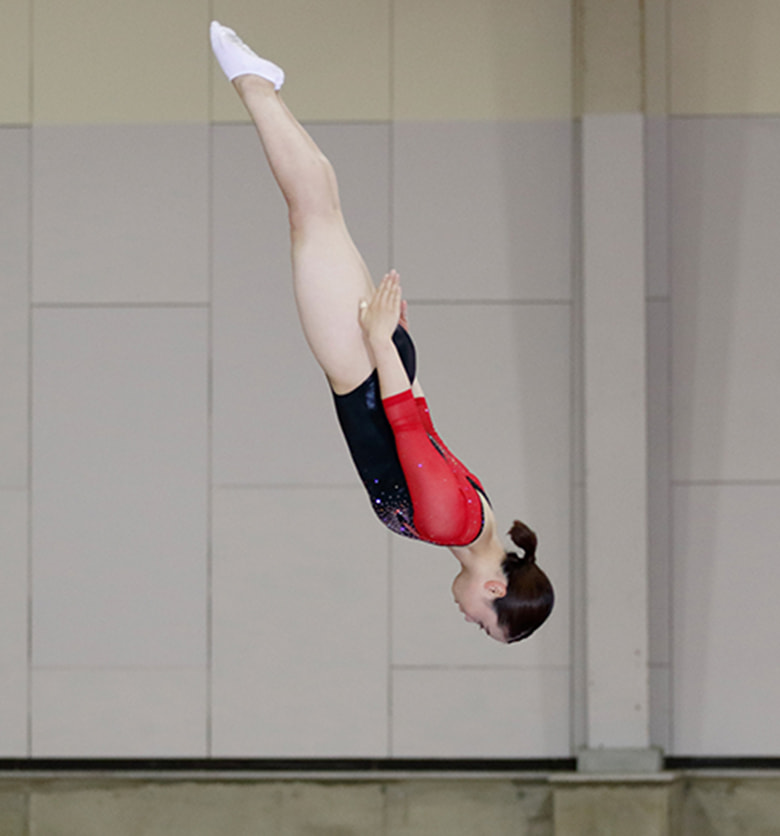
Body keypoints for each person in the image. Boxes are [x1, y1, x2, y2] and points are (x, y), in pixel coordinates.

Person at [209, 22, 554, 643]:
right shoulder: (451, 526)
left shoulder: (481, 520)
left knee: (321, 217)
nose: (469, 619)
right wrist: (377, 341)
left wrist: (397, 348)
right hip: (365, 371)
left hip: (386, 365)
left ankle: (264, 87)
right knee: (311, 218)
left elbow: (427, 428)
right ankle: (254, 84)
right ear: (494, 591)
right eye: (483, 624)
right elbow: (410, 430)